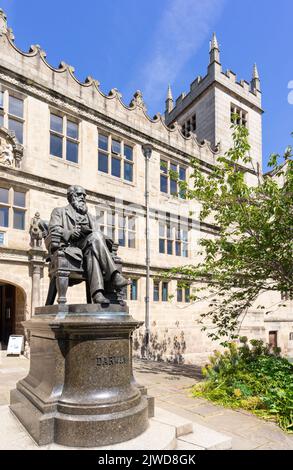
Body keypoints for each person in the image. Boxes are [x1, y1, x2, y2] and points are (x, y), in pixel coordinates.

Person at [48, 185, 130, 304]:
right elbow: (54, 229)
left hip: (89, 246)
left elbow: (97, 234)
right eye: (79, 194)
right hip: (71, 247)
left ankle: (97, 294)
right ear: (71, 196)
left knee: (93, 248)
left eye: (84, 195)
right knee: (95, 240)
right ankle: (114, 277)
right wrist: (70, 233)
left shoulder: (90, 217)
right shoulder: (59, 212)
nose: (83, 197)